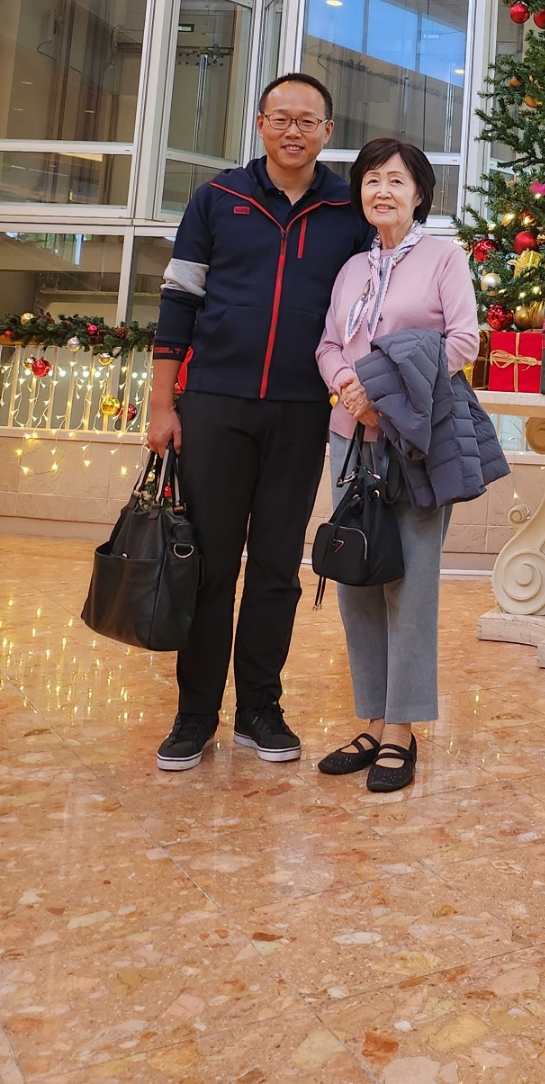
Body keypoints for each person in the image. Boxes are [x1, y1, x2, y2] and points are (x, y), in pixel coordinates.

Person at [148, 73, 369, 772]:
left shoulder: (348, 210)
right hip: (215, 404)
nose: (293, 130)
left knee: (276, 566)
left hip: (302, 411)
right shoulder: (218, 198)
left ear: (327, 131)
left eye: (308, 120)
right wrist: (162, 405)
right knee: (209, 563)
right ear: (260, 123)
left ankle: (259, 711)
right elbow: (179, 300)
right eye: (281, 118)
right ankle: (194, 716)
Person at [314, 138, 484, 791]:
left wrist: (379, 389)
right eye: (371, 180)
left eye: (395, 180)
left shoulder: (444, 258)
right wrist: (347, 388)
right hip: (349, 436)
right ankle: (373, 719)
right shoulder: (351, 268)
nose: (381, 191)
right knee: (357, 572)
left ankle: (402, 729)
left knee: (409, 582)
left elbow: (462, 341)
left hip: (415, 439)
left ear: (419, 194)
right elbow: (329, 345)